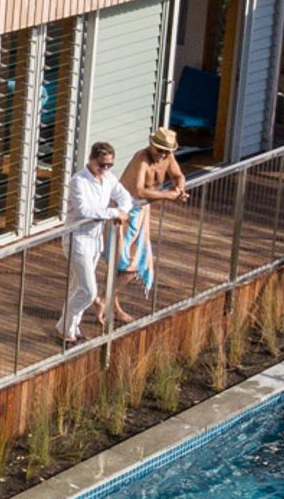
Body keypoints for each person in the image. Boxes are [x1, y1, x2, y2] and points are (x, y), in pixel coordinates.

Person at [59, 141, 134, 345]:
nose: (105, 169)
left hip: (95, 240)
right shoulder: (79, 181)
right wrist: (113, 212)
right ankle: (66, 329)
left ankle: (69, 329)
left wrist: (123, 211)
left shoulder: (108, 179)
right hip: (78, 240)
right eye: (102, 165)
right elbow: (85, 210)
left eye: (109, 165)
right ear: (92, 160)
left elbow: (125, 197)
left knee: (78, 286)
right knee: (89, 290)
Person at [113, 127, 191, 307]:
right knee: (128, 264)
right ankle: (104, 299)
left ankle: (109, 303)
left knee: (136, 262)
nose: (162, 155)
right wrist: (167, 195)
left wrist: (179, 188)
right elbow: (139, 191)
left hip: (141, 212)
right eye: (160, 150)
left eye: (167, 151)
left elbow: (178, 175)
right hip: (126, 213)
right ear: (151, 145)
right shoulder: (142, 158)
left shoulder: (168, 157)